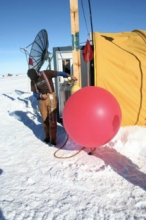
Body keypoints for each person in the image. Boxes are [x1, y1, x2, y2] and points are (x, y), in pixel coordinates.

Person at [27, 68, 77, 146]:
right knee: (45, 119)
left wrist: (69, 76)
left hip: (51, 97)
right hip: (41, 100)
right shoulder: (33, 81)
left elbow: (59, 73)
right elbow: (34, 93)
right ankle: (47, 136)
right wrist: (40, 95)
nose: (36, 79)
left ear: (37, 72)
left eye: (37, 77)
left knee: (52, 119)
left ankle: (53, 139)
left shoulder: (47, 73)